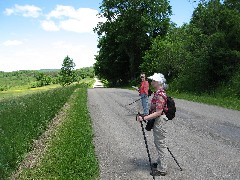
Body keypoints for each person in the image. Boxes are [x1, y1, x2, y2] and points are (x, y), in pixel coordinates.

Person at [138, 73, 168, 176]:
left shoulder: (160, 95)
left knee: (161, 144)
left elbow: (158, 112)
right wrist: (145, 115)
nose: (151, 82)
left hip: (160, 120)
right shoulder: (158, 93)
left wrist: (144, 118)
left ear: (158, 82)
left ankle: (162, 169)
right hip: (157, 120)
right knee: (158, 142)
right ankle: (160, 163)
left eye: (153, 81)